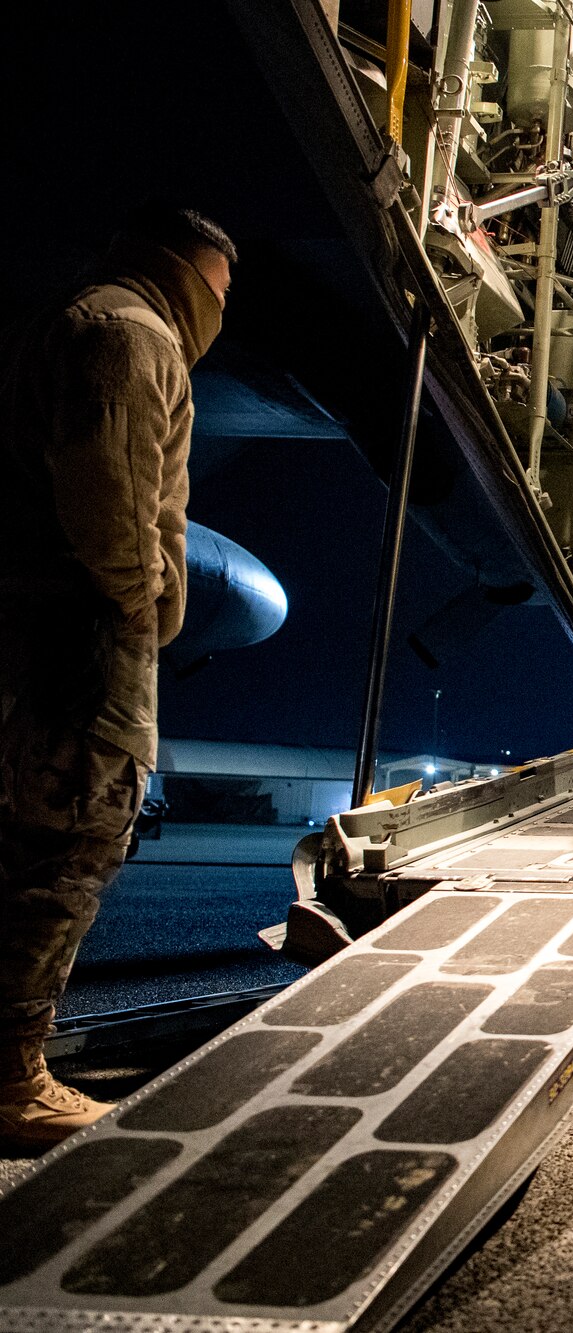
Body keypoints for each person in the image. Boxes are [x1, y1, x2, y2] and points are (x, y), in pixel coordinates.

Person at [0, 206, 234, 1147]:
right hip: (82, 645)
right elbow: (118, 502)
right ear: (192, 272)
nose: (223, 310)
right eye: (223, 289)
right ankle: (13, 1074)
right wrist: (145, 609)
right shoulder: (132, 335)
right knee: (66, 845)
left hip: (37, 633)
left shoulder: (68, 316)